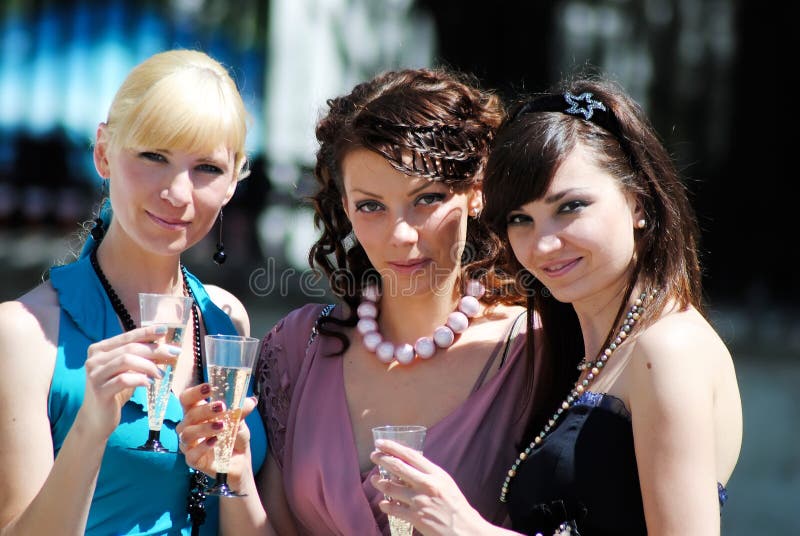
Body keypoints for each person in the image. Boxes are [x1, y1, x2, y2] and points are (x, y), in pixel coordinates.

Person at [367, 75, 743, 535]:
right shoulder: (582, 351)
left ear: (639, 202)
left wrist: (467, 529)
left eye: (570, 207)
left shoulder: (667, 348)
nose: (543, 244)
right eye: (520, 219)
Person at [177, 67, 536, 535]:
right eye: (371, 206)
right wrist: (236, 470)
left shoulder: (535, 352)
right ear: (345, 206)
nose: (401, 235)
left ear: (476, 192)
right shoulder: (296, 348)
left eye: (426, 198)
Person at [0, 49, 267, 535]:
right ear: (103, 151)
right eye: (153, 156)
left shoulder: (227, 319)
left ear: (233, 180)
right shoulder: (22, 334)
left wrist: (234, 475)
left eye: (206, 167)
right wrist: (89, 430)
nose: (178, 193)